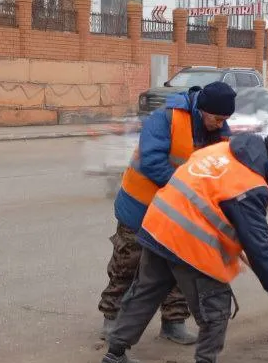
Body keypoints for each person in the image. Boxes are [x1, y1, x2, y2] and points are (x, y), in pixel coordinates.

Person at [99, 127, 268, 363]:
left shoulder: (222, 150)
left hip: (159, 226)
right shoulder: (251, 185)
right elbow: (259, 248)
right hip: (188, 242)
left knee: (144, 294)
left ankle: (113, 357)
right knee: (216, 306)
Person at [99, 81, 234, 345]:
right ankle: (112, 317)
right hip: (141, 205)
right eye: (217, 118)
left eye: (225, 119)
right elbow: (152, 162)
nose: (221, 124)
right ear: (202, 110)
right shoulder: (165, 119)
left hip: (180, 214)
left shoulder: (221, 134)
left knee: (180, 267)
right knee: (128, 263)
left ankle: (173, 321)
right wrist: (188, 188)